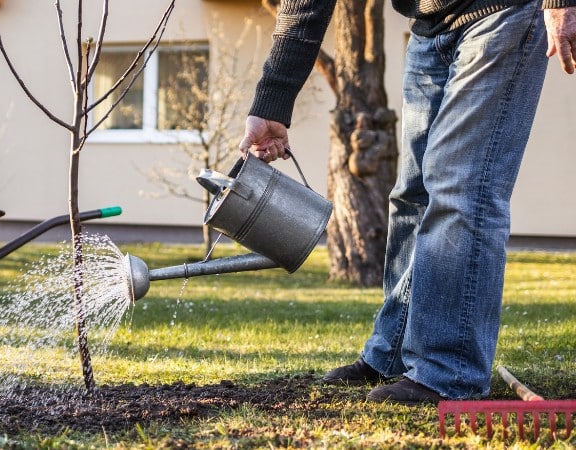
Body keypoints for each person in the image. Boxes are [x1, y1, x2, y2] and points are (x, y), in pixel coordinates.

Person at [239, 0, 576, 404]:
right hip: (428, 25)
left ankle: (450, 372)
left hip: (500, 12)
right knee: (411, 196)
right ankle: (394, 353)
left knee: (460, 189)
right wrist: (272, 103)